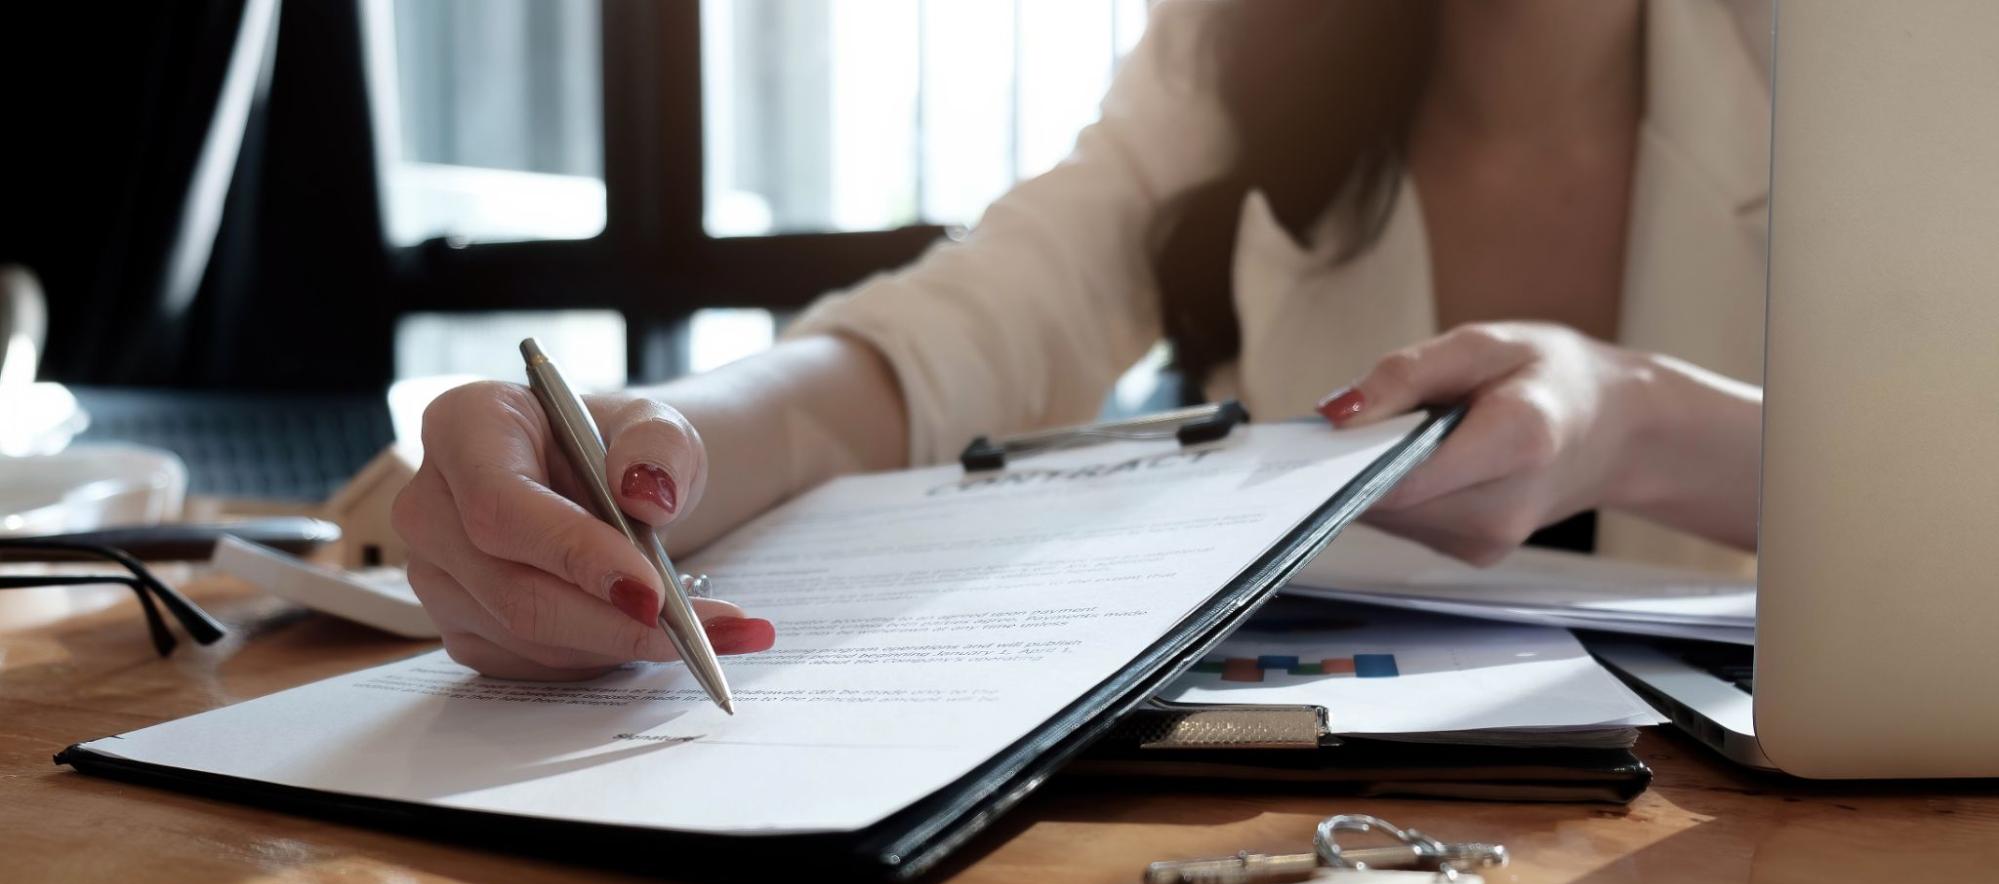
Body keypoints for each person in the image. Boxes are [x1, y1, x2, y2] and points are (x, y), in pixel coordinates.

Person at [393, 0, 1771, 680]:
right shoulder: (1242, 48)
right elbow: (979, 324)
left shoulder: (1898, 60)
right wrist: (655, 443)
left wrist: (1646, 420)